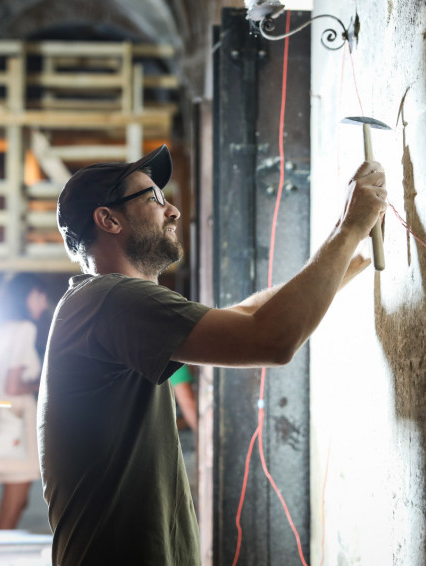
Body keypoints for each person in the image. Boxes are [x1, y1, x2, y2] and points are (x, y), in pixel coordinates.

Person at [38, 145, 386, 565]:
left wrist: (348, 252)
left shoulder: (101, 303)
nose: (173, 212)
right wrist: (347, 230)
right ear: (108, 219)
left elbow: (246, 315)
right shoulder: (110, 299)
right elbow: (270, 338)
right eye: (153, 199)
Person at [0, 273, 49, 529]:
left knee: (15, 497)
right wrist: (49, 383)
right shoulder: (25, 328)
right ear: (25, 297)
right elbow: (14, 385)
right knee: (17, 498)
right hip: (14, 422)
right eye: (39, 296)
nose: (43, 303)